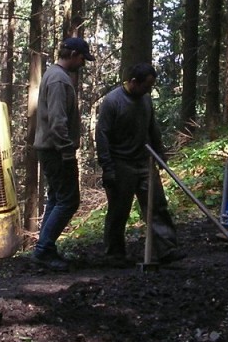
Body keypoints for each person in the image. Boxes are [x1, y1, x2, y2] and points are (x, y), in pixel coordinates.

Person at [95, 63, 183, 267]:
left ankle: (166, 248)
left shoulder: (145, 100)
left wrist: (159, 152)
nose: (148, 90)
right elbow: (102, 135)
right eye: (146, 85)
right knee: (119, 210)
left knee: (157, 204)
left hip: (145, 161)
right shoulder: (113, 101)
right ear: (134, 82)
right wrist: (107, 167)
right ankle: (114, 254)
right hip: (120, 164)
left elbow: (153, 128)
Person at [31, 36, 94, 270]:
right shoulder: (59, 79)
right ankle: (43, 249)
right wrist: (66, 149)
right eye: (82, 59)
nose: (83, 64)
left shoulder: (53, 75)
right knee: (69, 200)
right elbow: (58, 121)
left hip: (50, 148)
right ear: (74, 55)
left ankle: (44, 248)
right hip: (55, 150)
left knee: (57, 198)